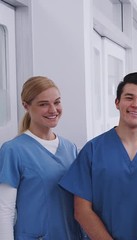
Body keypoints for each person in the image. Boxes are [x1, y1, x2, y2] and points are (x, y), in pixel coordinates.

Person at [59, 72, 137, 240]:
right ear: (117, 102)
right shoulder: (92, 150)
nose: (135, 104)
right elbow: (82, 211)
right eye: (129, 97)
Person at [0, 76, 80, 239]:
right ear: (26, 106)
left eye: (57, 102)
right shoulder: (13, 150)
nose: (53, 110)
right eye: (44, 104)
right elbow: (4, 211)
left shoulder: (70, 149)